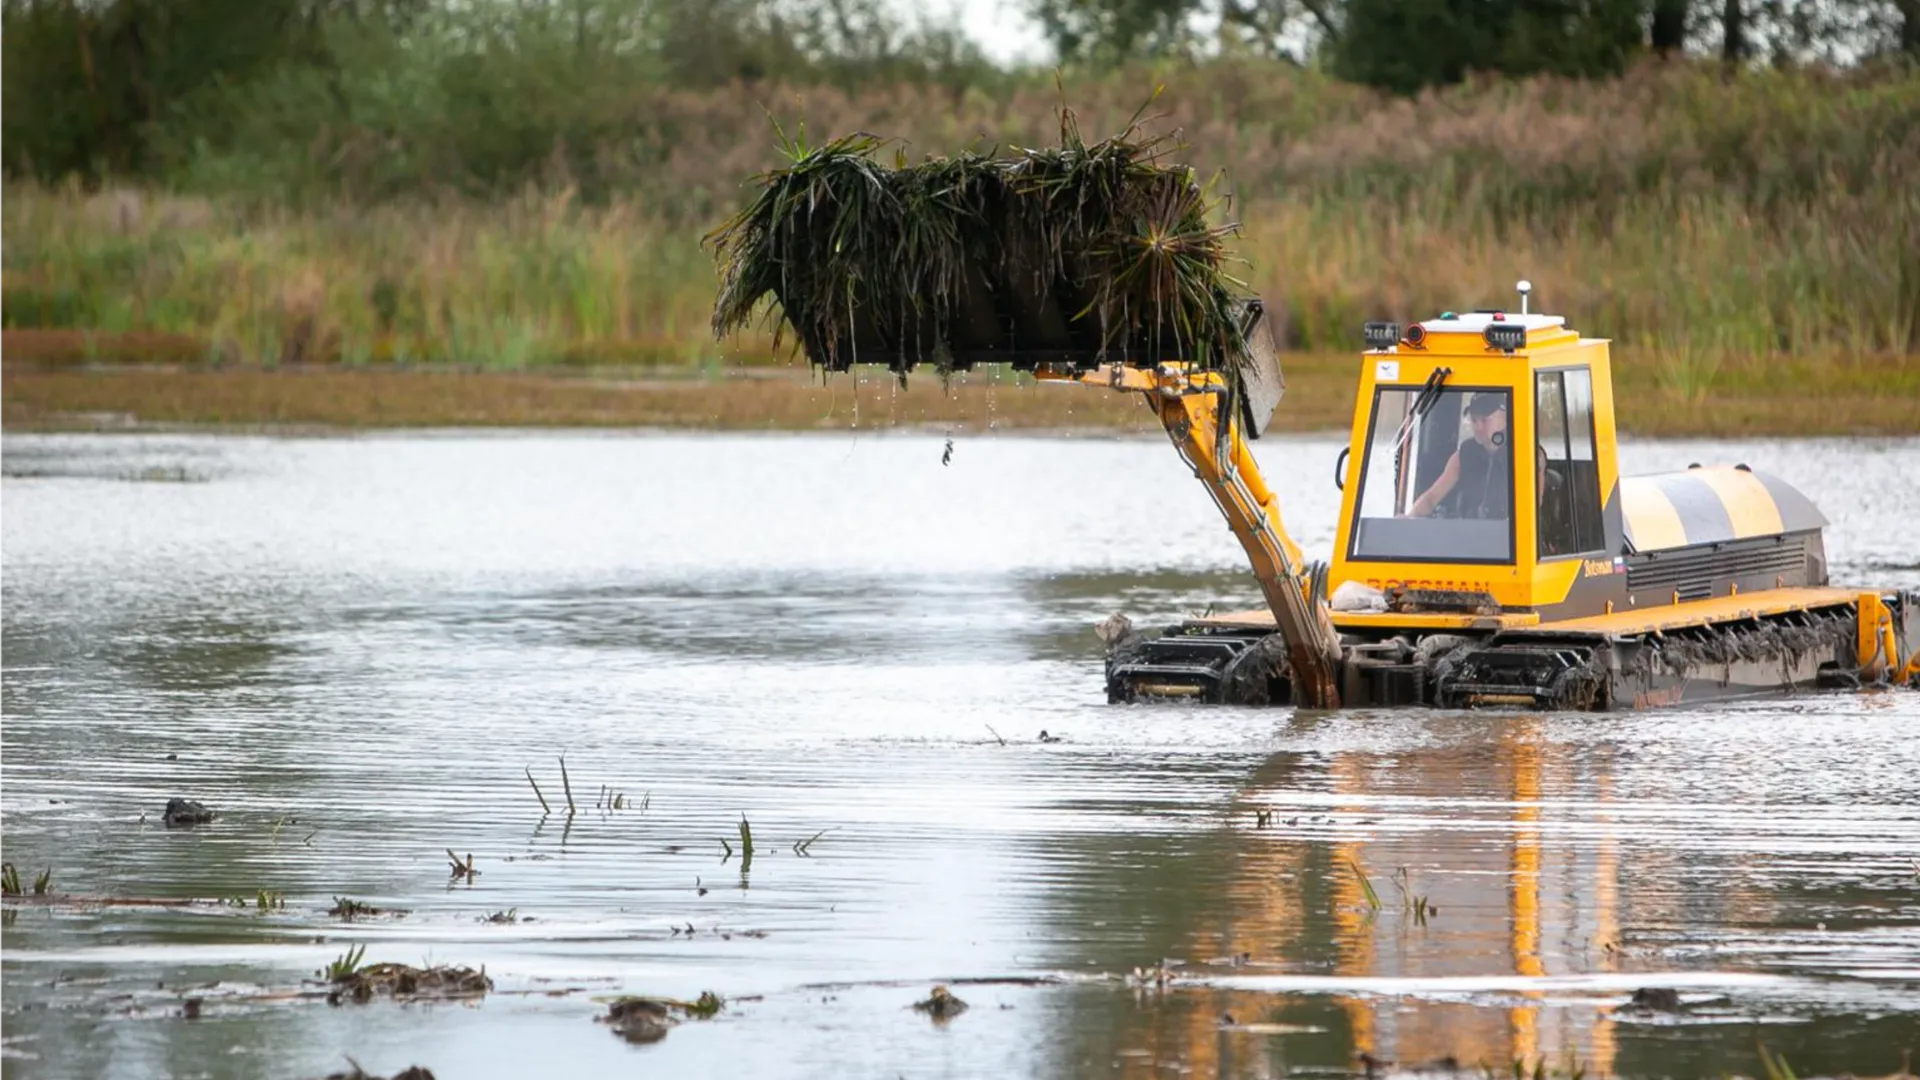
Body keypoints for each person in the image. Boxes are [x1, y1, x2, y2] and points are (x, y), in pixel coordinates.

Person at [1408, 394, 1509, 519]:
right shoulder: (1463, 456)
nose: (1479, 427)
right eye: (1474, 420)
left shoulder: (1523, 454)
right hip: (1469, 530)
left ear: (1504, 417)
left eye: (1485, 420)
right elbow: (1431, 498)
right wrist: (1409, 517)